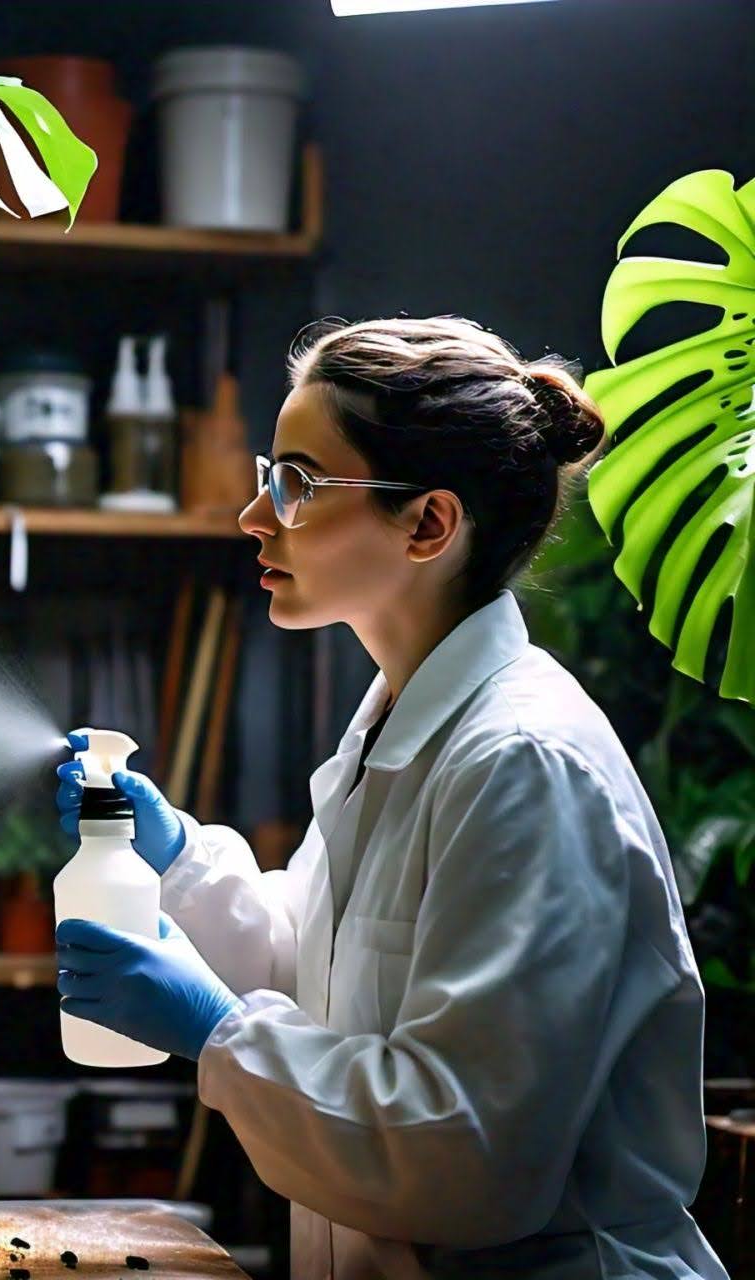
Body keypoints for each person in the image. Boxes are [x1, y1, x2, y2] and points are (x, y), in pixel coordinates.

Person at [54, 317, 729, 1280]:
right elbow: (329, 968)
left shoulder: (522, 762)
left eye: (294, 483)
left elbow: (469, 1155)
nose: (254, 516)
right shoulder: (404, 722)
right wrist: (182, 867)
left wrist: (215, 1030)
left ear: (428, 525)